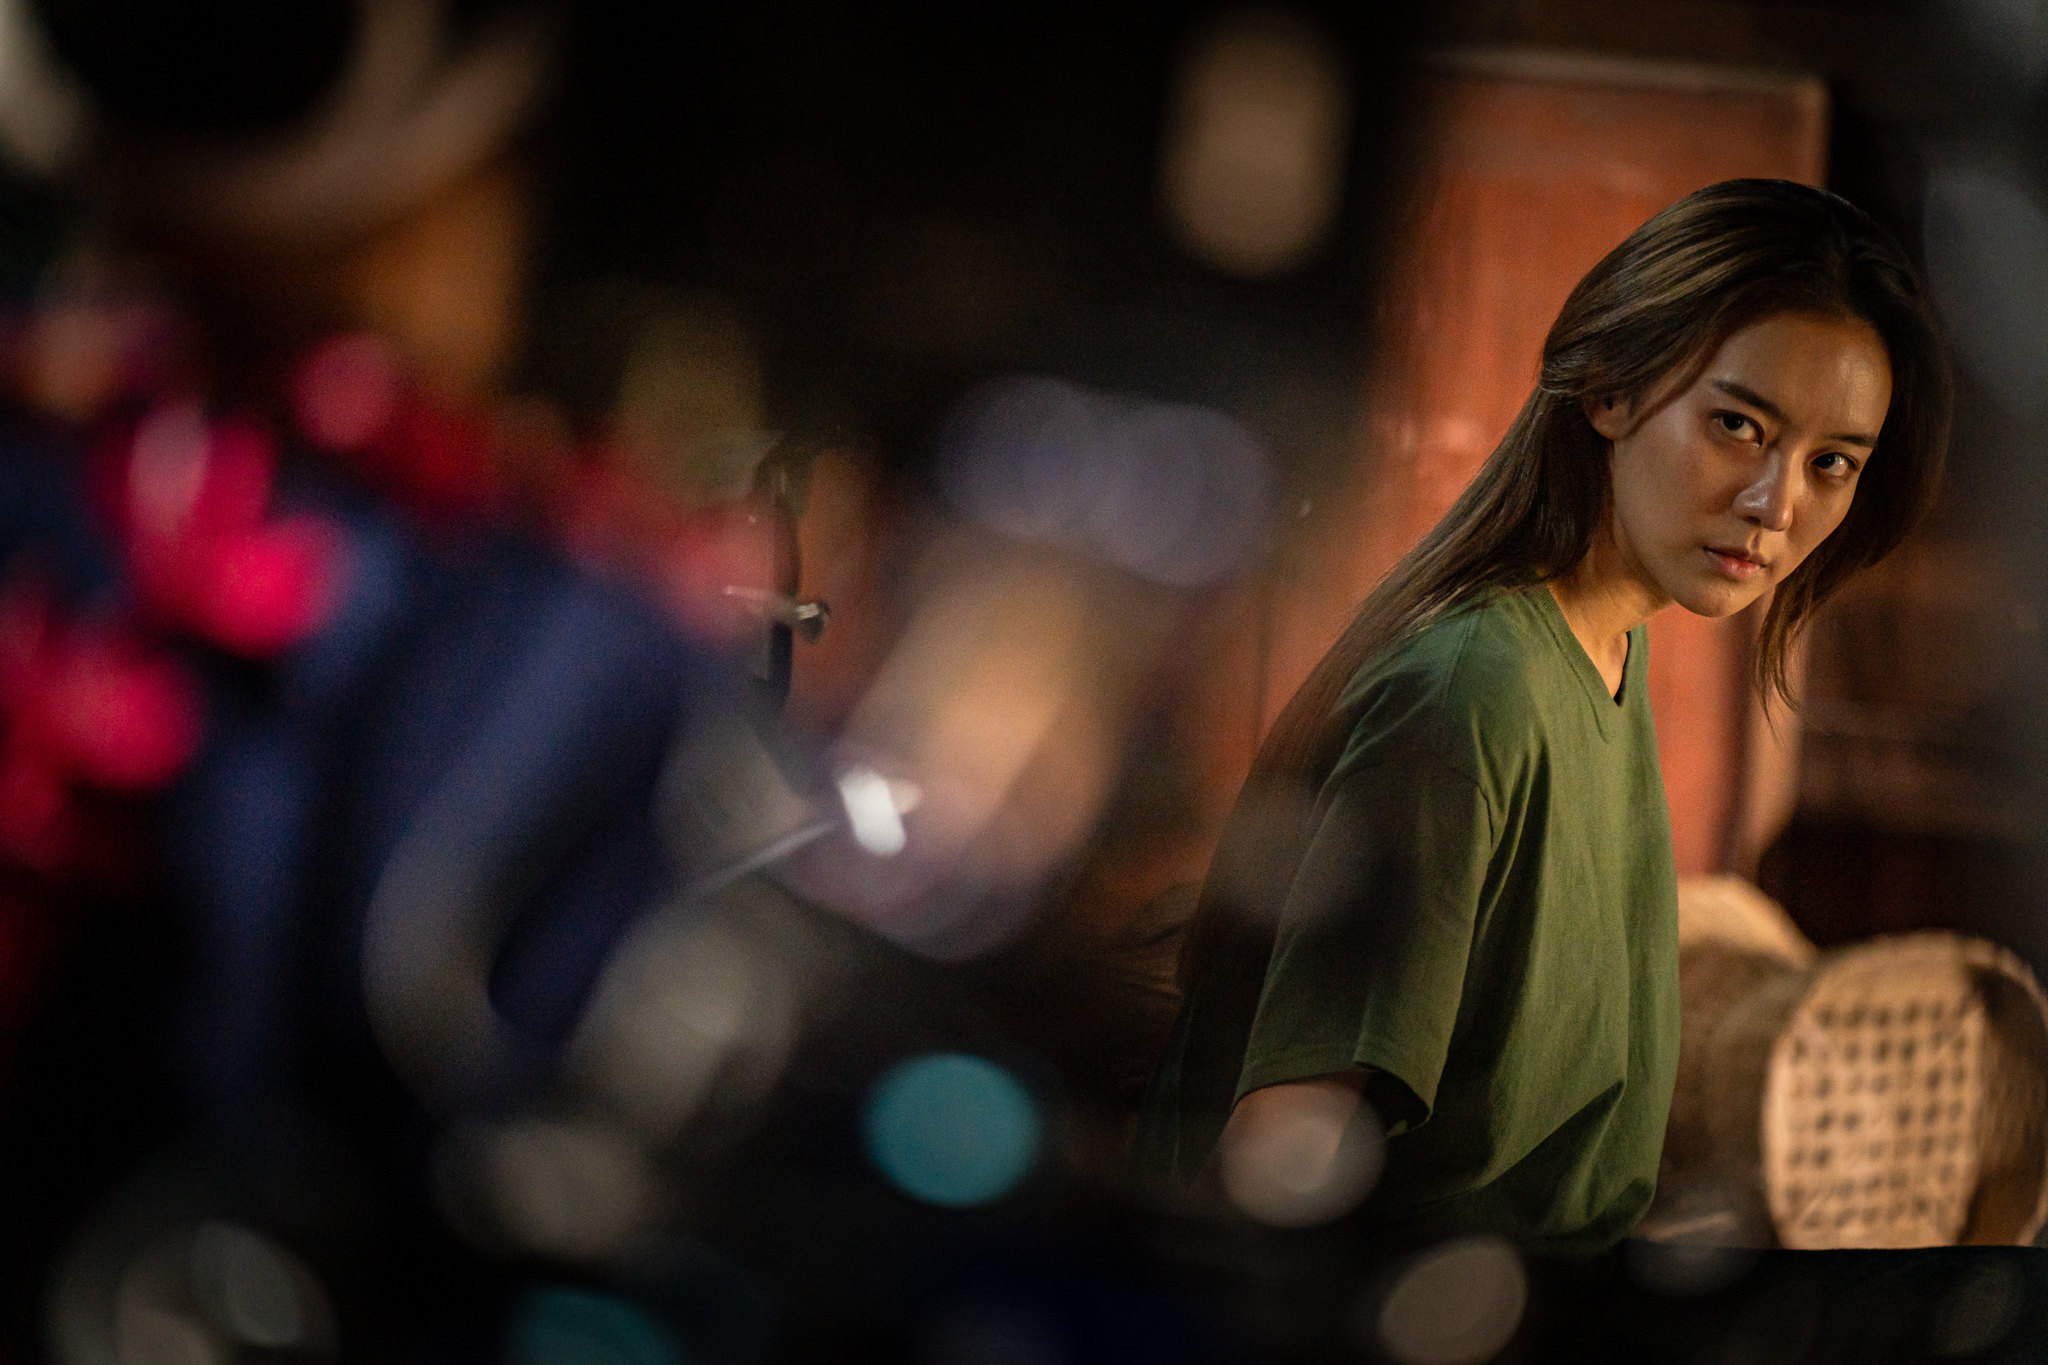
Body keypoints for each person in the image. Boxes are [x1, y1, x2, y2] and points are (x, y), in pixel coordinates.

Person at [1131, 179, 1952, 1253]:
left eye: (1829, 463)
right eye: (1736, 425)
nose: (1775, 503)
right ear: (1609, 390)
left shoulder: (1607, 644)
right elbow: (1276, 1163)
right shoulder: (1476, 692)